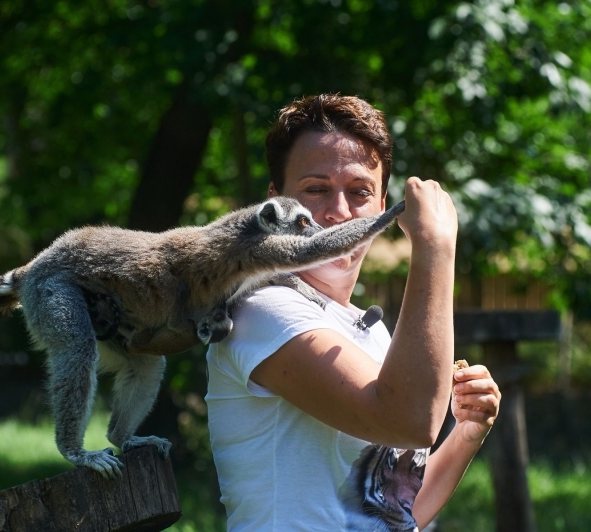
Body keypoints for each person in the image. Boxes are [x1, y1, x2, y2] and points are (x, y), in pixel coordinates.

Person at [205, 94, 501, 531]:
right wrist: (436, 246)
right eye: (316, 189)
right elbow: (410, 420)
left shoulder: (373, 336)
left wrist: (465, 434)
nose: (339, 213)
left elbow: (397, 509)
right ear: (275, 201)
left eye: (359, 192)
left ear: (383, 206)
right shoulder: (260, 310)